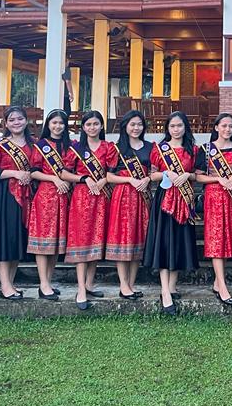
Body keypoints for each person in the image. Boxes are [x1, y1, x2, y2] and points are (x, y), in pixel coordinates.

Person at [143, 111, 200, 315]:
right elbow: (152, 175)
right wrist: (166, 172)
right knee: (165, 242)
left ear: (185, 127)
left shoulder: (193, 149)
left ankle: (172, 286)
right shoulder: (160, 149)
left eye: (179, 126)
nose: (176, 129)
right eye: (172, 126)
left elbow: (198, 175)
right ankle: (165, 291)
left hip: (184, 200)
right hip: (165, 200)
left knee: (179, 241)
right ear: (167, 128)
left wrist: (187, 175)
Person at [61, 110, 116, 310]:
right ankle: (81, 289)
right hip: (82, 197)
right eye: (88, 124)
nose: (92, 127)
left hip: (101, 197)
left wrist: (103, 181)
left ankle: (90, 284)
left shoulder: (108, 147)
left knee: (96, 240)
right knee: (82, 240)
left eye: (96, 124)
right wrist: (83, 178)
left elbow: (112, 172)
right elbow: (64, 173)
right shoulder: (76, 148)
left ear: (101, 126)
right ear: (83, 127)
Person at [0, 105, 33, 300]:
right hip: (4, 196)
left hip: (27, 197)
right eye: (11, 120)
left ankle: (10, 284)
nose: (16, 123)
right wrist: (15, 173)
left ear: (26, 121)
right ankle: (5, 285)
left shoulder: (34, 144)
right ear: (6, 123)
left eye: (20, 119)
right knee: (4, 240)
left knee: (16, 240)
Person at [106, 110, 153, 300]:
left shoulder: (150, 147)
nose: (136, 128)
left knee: (138, 238)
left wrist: (148, 179)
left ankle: (131, 284)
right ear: (125, 126)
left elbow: (154, 172)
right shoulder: (117, 148)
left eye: (139, 124)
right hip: (123, 197)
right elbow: (109, 177)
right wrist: (129, 180)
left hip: (142, 198)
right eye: (132, 124)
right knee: (123, 238)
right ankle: (123, 284)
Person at [198, 113, 232, 306]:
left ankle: (217, 282)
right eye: (223, 126)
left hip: (231, 198)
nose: (227, 129)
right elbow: (198, 176)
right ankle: (222, 286)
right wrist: (218, 179)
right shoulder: (206, 149)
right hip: (214, 198)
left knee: (227, 239)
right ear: (216, 127)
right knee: (216, 240)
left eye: (231, 126)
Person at [28, 109, 72, 300]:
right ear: (48, 125)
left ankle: (49, 281)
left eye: (61, 123)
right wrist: (54, 179)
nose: (57, 126)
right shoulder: (40, 146)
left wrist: (67, 181)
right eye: (54, 123)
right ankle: (43, 284)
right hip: (45, 196)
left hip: (64, 196)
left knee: (56, 242)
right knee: (43, 241)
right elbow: (33, 172)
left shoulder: (71, 145)